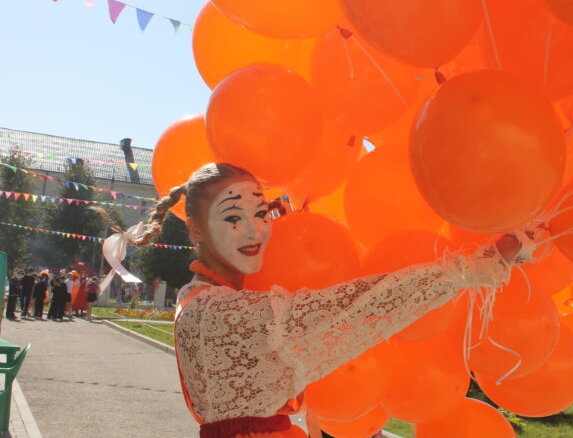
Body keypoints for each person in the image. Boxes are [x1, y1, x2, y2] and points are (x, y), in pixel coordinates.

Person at [99, 162, 521, 437]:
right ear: (195, 230)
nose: (254, 231)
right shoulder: (219, 312)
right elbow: (361, 307)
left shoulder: (201, 295)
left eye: (260, 214)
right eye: (232, 218)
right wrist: (476, 266)